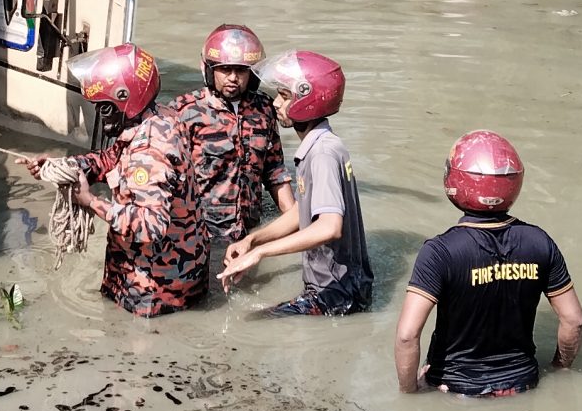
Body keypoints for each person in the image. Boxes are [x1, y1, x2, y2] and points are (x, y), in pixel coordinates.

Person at [393, 132, 582, 397]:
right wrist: (559, 368)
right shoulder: (540, 242)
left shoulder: (439, 252)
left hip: (454, 390)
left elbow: (407, 335)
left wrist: (410, 392)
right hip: (524, 386)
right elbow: (573, 321)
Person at [54, 44, 206, 318]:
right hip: (157, 275)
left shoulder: (150, 151)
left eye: (104, 108)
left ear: (125, 100)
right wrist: (63, 166)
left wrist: (90, 202)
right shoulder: (158, 117)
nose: (100, 116)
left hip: (155, 289)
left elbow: (150, 227)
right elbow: (111, 159)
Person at [222, 50, 370, 315]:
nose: (276, 103)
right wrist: (252, 240)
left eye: (285, 96)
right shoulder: (323, 144)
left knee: (252, 321)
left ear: (308, 100)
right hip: (346, 287)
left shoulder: (322, 154)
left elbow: (329, 227)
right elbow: (302, 212)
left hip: (334, 294)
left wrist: (261, 254)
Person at [162, 25, 288, 267]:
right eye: (225, 70)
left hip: (248, 235)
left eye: (241, 71)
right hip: (198, 236)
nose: (233, 78)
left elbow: (275, 173)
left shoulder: (265, 110)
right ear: (209, 70)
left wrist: (295, 224)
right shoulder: (184, 111)